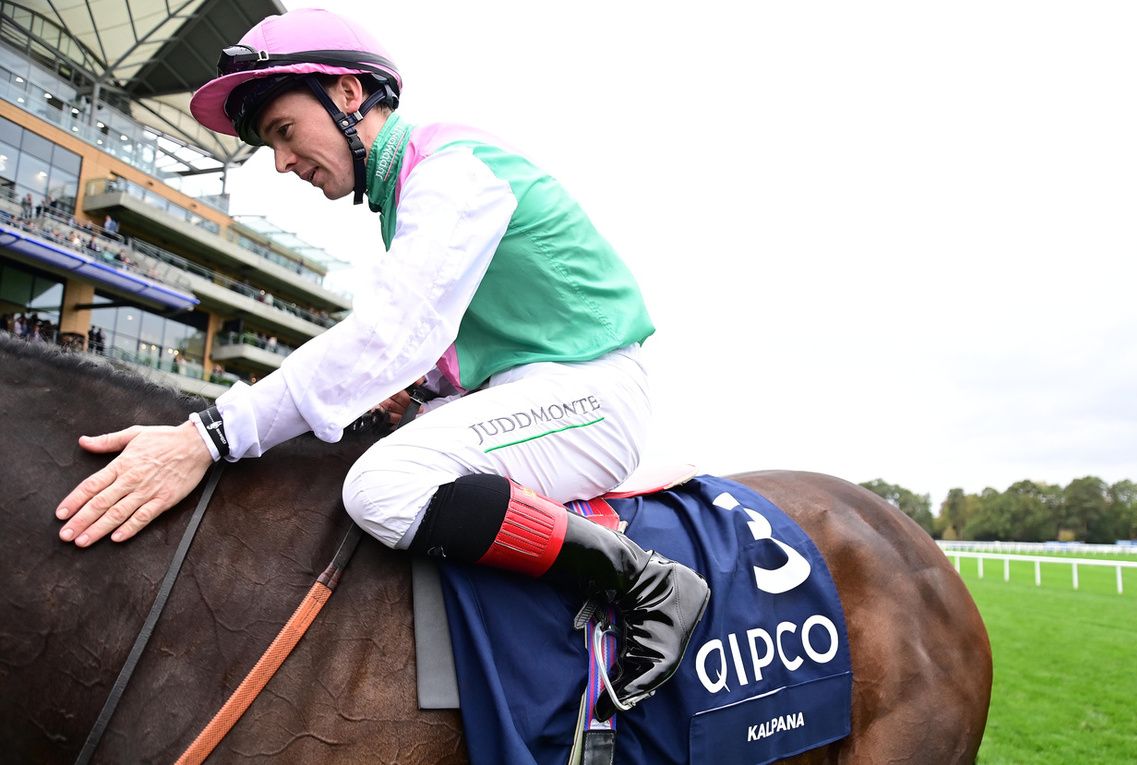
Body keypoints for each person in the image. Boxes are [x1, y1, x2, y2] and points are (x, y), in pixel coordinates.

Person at [51, 7, 708, 720]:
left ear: (346, 93)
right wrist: (420, 390)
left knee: (384, 484)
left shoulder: (450, 170)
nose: (281, 163)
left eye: (282, 132)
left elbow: (392, 331)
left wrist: (209, 434)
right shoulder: (408, 191)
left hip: (591, 394)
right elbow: (442, 345)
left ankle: (647, 583)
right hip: (538, 386)